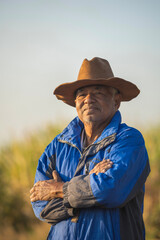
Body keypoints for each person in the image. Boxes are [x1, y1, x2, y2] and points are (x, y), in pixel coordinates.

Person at [30, 57, 150, 240]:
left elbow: (112, 190)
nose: (88, 99)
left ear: (116, 101)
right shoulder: (57, 146)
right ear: (76, 103)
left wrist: (58, 189)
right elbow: (41, 207)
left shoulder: (129, 140)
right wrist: (89, 182)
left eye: (98, 92)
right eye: (81, 94)